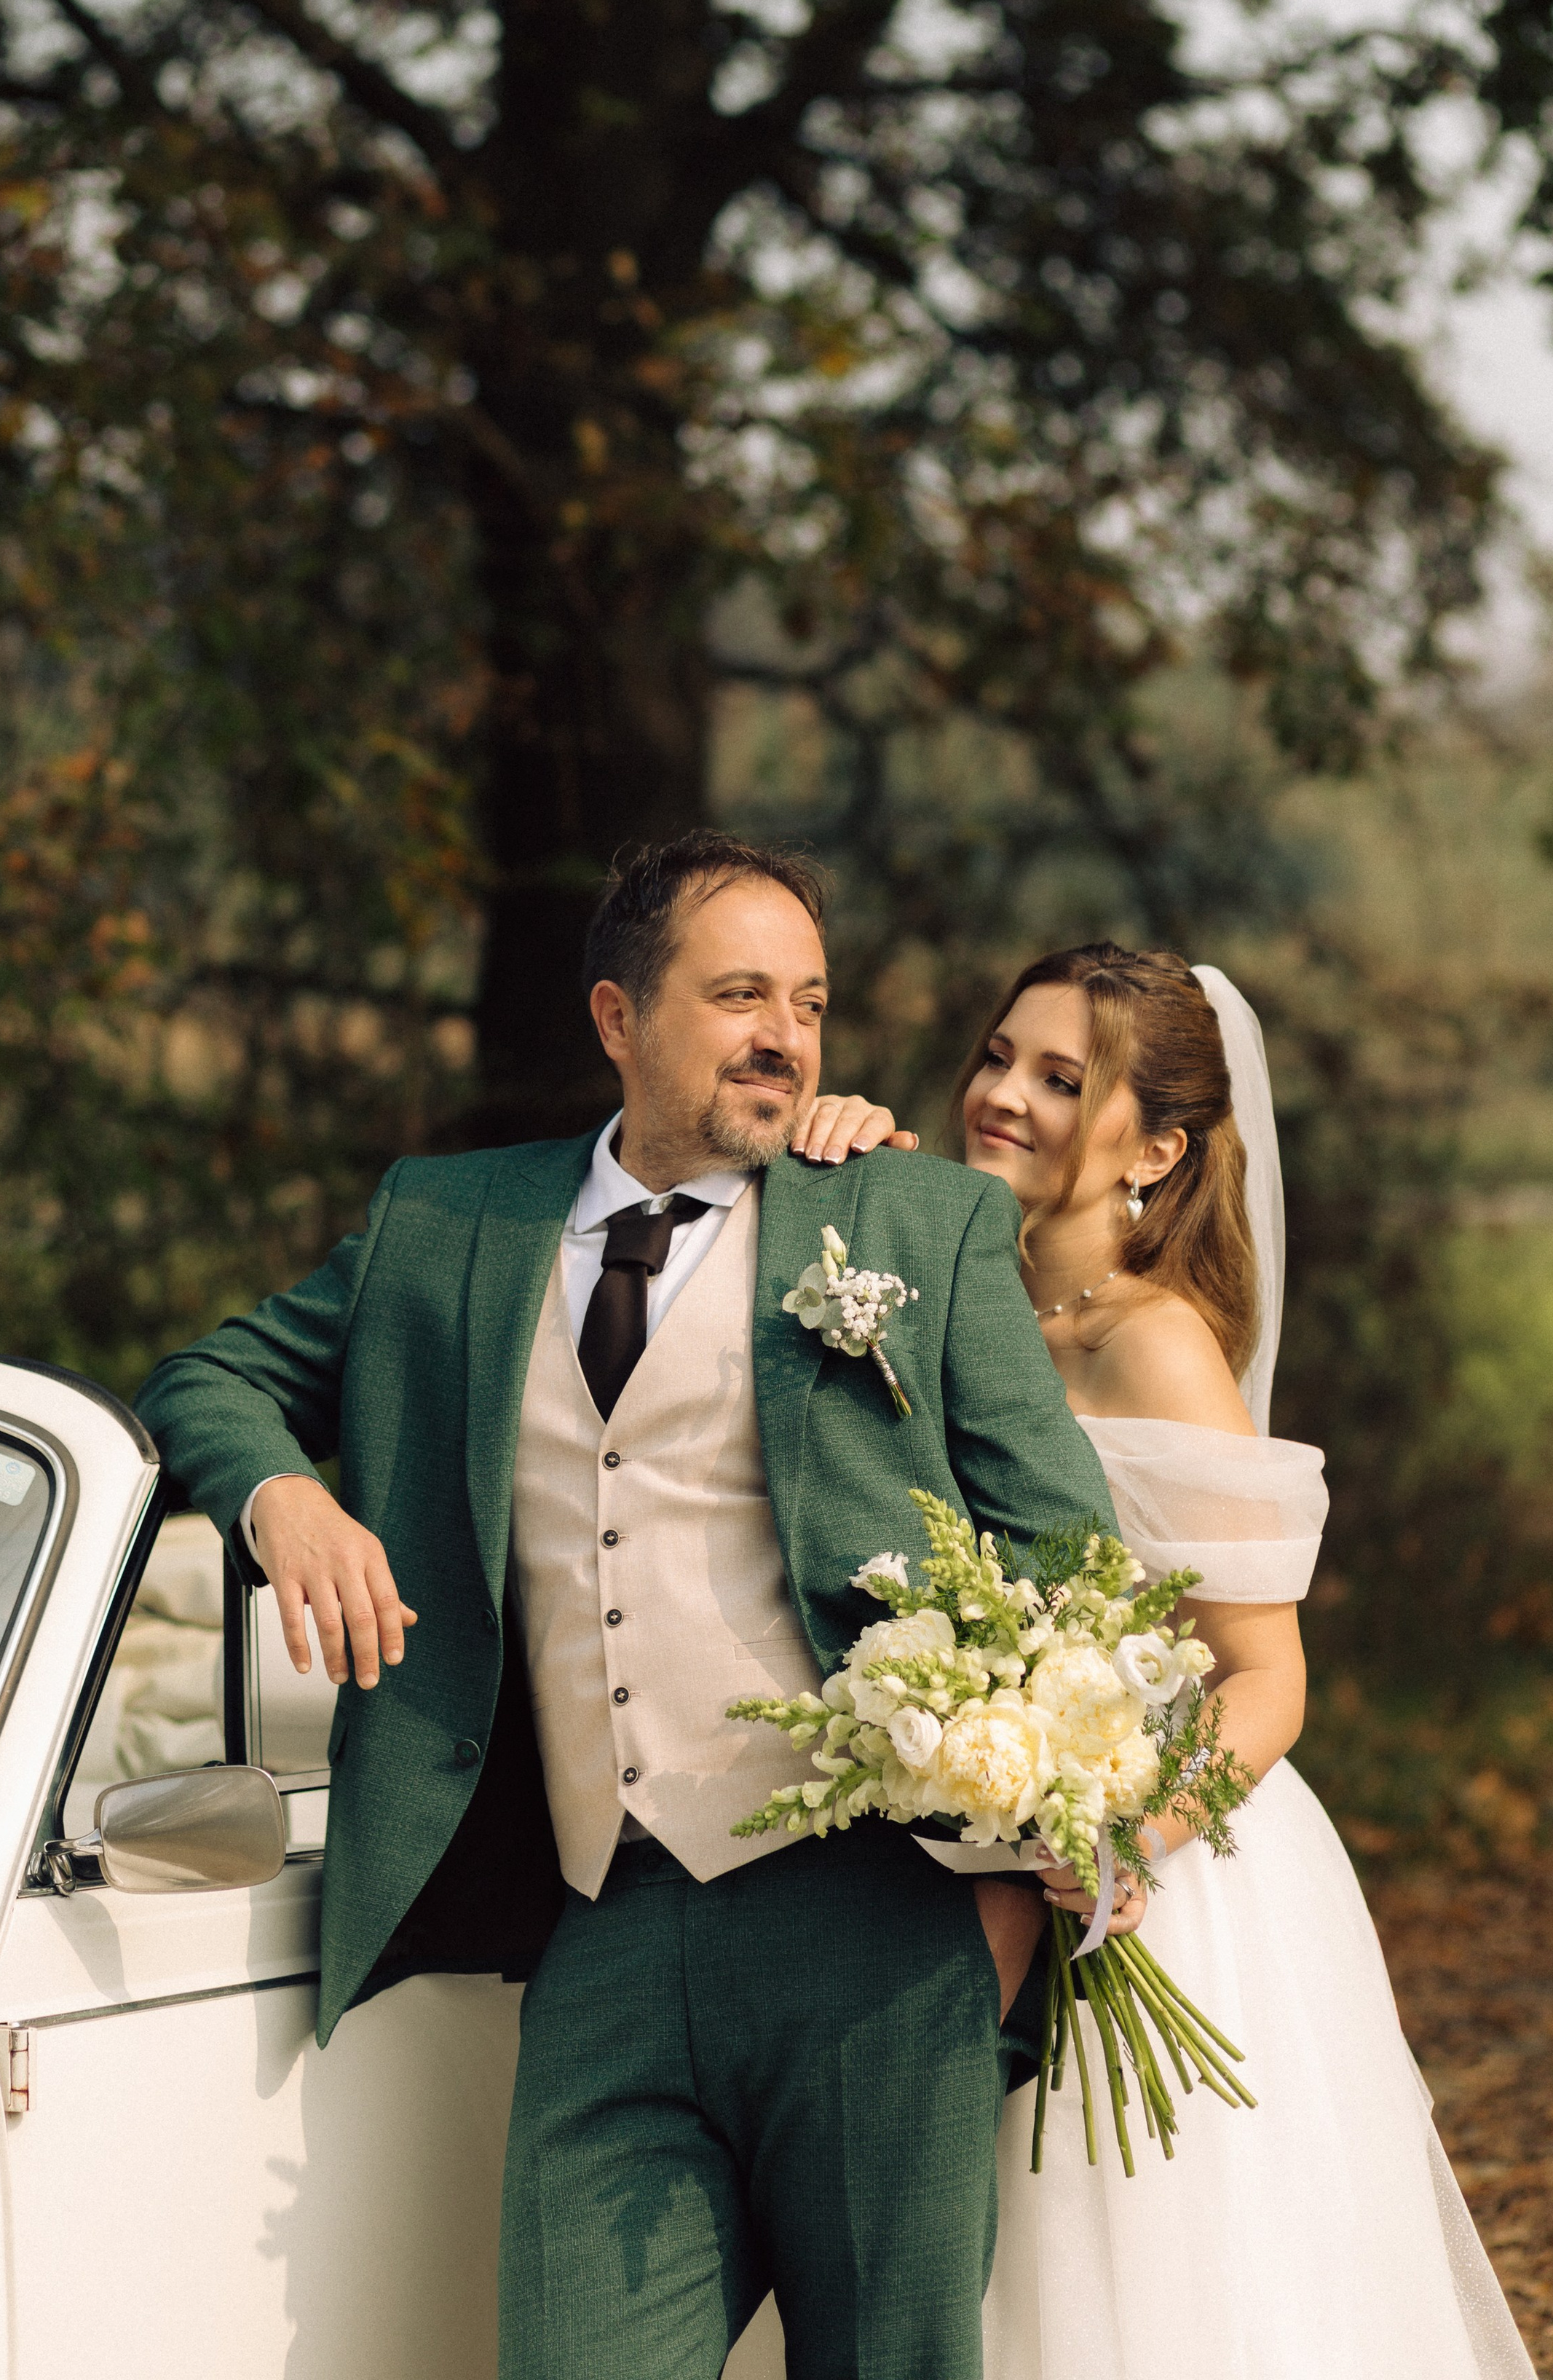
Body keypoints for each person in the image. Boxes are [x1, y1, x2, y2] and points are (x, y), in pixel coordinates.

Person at [135, 833, 1110, 2380]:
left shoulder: (915, 1228)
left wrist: (1013, 1867)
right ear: (616, 1020)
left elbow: (1069, 1554)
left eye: (807, 999)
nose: (783, 1033)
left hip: (871, 1928)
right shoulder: (444, 1226)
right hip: (599, 1934)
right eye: (736, 995)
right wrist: (286, 1496)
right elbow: (208, 1377)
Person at [800, 944, 1536, 2380]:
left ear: (1155, 1146)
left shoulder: (1157, 1352)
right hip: (946, 1855)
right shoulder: (933, 1277)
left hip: (1151, 1877)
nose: (1000, 1094)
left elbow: (1265, 1678)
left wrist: (1124, 1829)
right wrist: (842, 1150)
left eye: (1059, 1079)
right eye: (997, 1055)